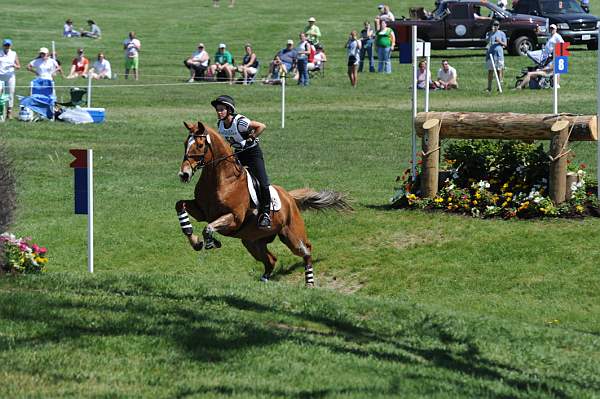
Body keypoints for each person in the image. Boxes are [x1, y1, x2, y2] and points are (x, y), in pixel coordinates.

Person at [211, 95, 272, 229]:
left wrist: (252, 138)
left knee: (263, 183)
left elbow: (261, 126)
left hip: (252, 154)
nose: (219, 112)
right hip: (238, 154)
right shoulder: (220, 124)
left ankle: (266, 214)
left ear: (229, 110)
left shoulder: (240, 122)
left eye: (221, 109)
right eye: (217, 110)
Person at [0, 39, 20, 119]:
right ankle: (1, 111)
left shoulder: (13, 54)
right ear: (3, 45)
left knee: (10, 94)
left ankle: (9, 113)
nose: (7, 47)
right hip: (0, 76)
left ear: (10, 46)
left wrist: (14, 66)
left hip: (10, 77)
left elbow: (19, 66)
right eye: (5, 45)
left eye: (8, 45)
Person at [485, 20, 507, 92]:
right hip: (490, 55)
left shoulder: (502, 33)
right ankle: (489, 87)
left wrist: (499, 41)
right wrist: (491, 33)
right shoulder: (488, 33)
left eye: (497, 25)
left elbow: (505, 44)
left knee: (499, 70)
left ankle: (499, 87)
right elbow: (487, 41)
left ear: (499, 26)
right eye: (494, 25)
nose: (495, 26)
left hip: (499, 55)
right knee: (490, 71)